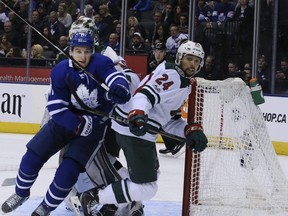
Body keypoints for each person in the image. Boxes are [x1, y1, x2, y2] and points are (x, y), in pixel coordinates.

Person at [1, 32, 131, 216]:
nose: (82, 56)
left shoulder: (101, 63)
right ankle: (20, 194)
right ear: (71, 51)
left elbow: (114, 77)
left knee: (68, 172)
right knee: (31, 157)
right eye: (78, 51)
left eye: (87, 51)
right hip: (65, 121)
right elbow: (56, 107)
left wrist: (120, 87)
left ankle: (46, 207)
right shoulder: (61, 70)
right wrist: (78, 124)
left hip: (94, 128)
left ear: (92, 51)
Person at [79, 40, 208, 214]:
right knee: (148, 188)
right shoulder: (173, 76)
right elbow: (145, 95)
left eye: (196, 61)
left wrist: (187, 130)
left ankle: (114, 201)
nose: (192, 64)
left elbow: (164, 121)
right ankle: (94, 197)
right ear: (180, 58)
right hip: (136, 131)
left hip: (136, 129)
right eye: (189, 58)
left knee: (148, 178)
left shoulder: (181, 81)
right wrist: (138, 113)